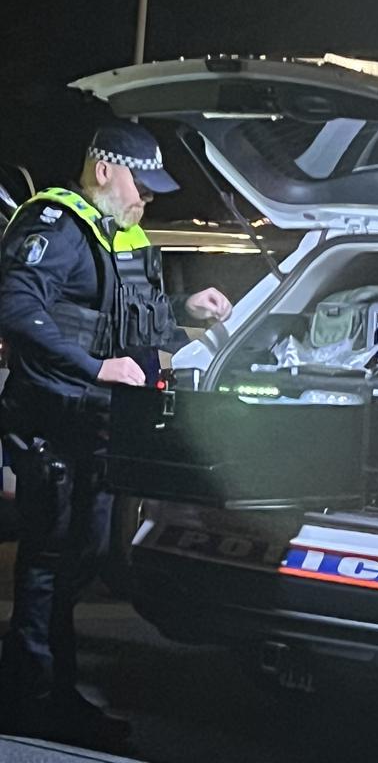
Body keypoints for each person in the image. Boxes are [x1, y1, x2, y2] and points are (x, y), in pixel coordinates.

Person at [0, 121, 232, 747]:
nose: (147, 200)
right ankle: (33, 704)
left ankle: (44, 691)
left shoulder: (118, 234)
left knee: (81, 559)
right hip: (54, 426)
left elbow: (126, 317)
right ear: (104, 170)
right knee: (50, 563)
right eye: (141, 185)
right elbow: (18, 310)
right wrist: (94, 368)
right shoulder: (55, 226)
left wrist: (187, 313)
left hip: (99, 429)